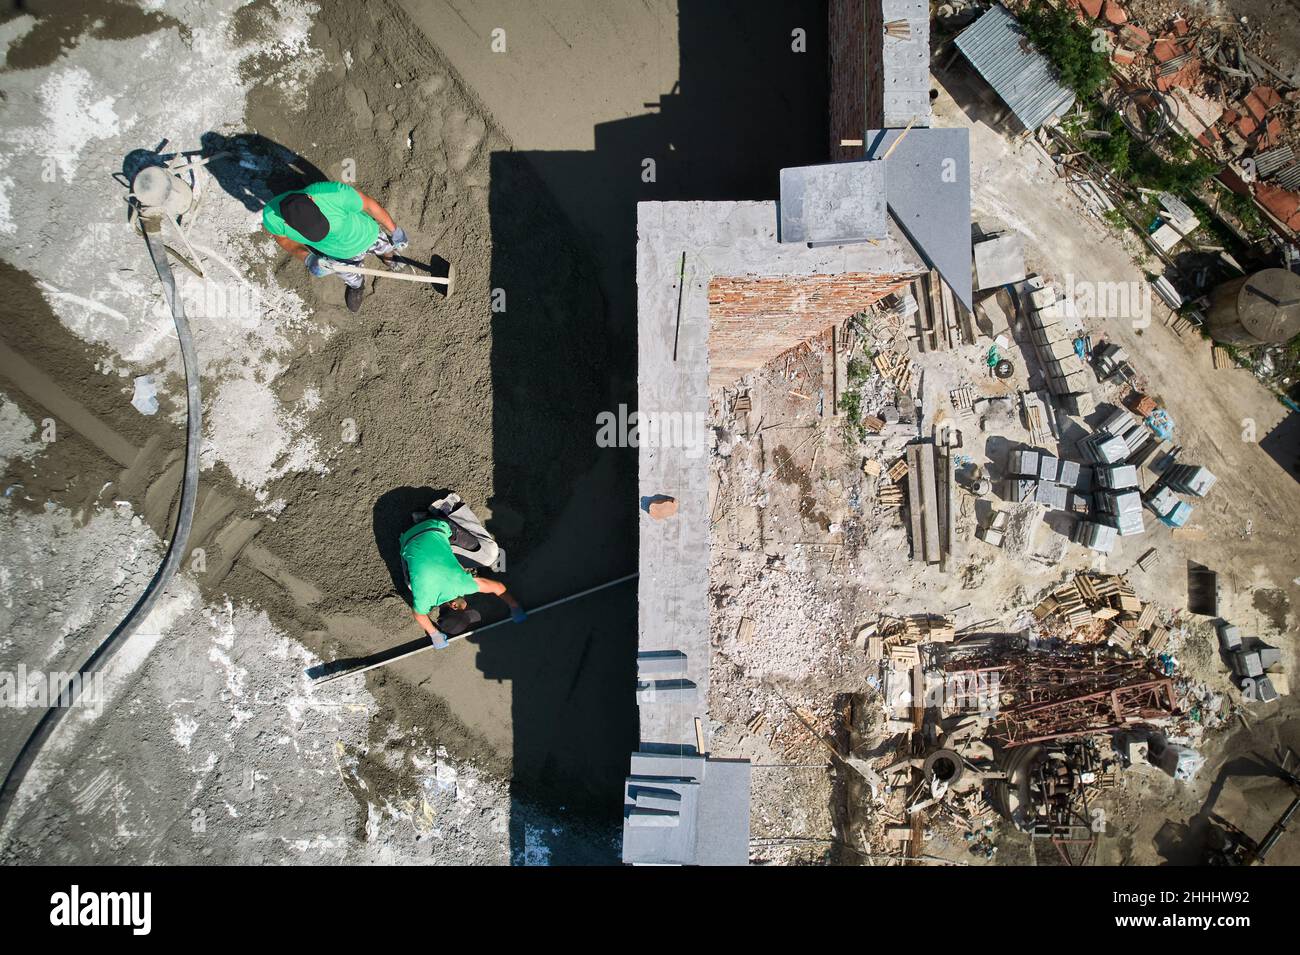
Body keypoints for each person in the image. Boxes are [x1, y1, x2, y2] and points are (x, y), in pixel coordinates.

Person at [262, 180, 409, 313]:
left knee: (385, 247)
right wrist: (308, 258)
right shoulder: (272, 218)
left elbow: (369, 205)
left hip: (367, 234)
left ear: (311, 199)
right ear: (287, 223)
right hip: (339, 256)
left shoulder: (333, 193)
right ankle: (357, 286)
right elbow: (283, 240)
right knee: (351, 277)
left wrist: (394, 230)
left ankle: (389, 258)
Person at [399, 508, 525, 648]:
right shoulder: (423, 600)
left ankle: (446, 507)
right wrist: (434, 633)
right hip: (407, 539)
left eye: (465, 609)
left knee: (491, 554)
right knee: (412, 585)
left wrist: (514, 606)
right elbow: (419, 615)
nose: (467, 605)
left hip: (433, 526)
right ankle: (420, 526)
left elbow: (498, 587)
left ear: (454, 606)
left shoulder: (463, 585)